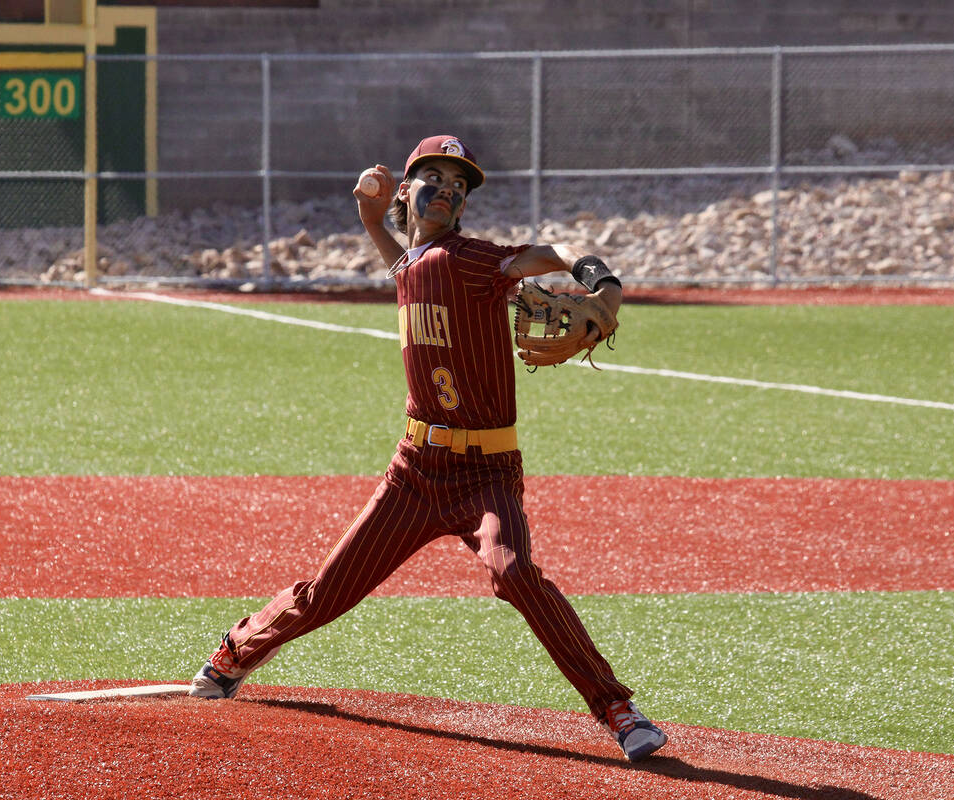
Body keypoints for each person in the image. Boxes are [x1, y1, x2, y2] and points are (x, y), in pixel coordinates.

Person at [189, 134, 668, 762]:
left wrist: (601, 281)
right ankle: (235, 652)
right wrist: (367, 215)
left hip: (486, 473)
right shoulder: (414, 263)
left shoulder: (469, 259)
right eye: (433, 179)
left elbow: (554, 253)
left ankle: (618, 709)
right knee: (326, 593)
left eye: (458, 187)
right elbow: (401, 263)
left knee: (514, 572)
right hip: (414, 472)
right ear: (407, 191)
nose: (447, 191)